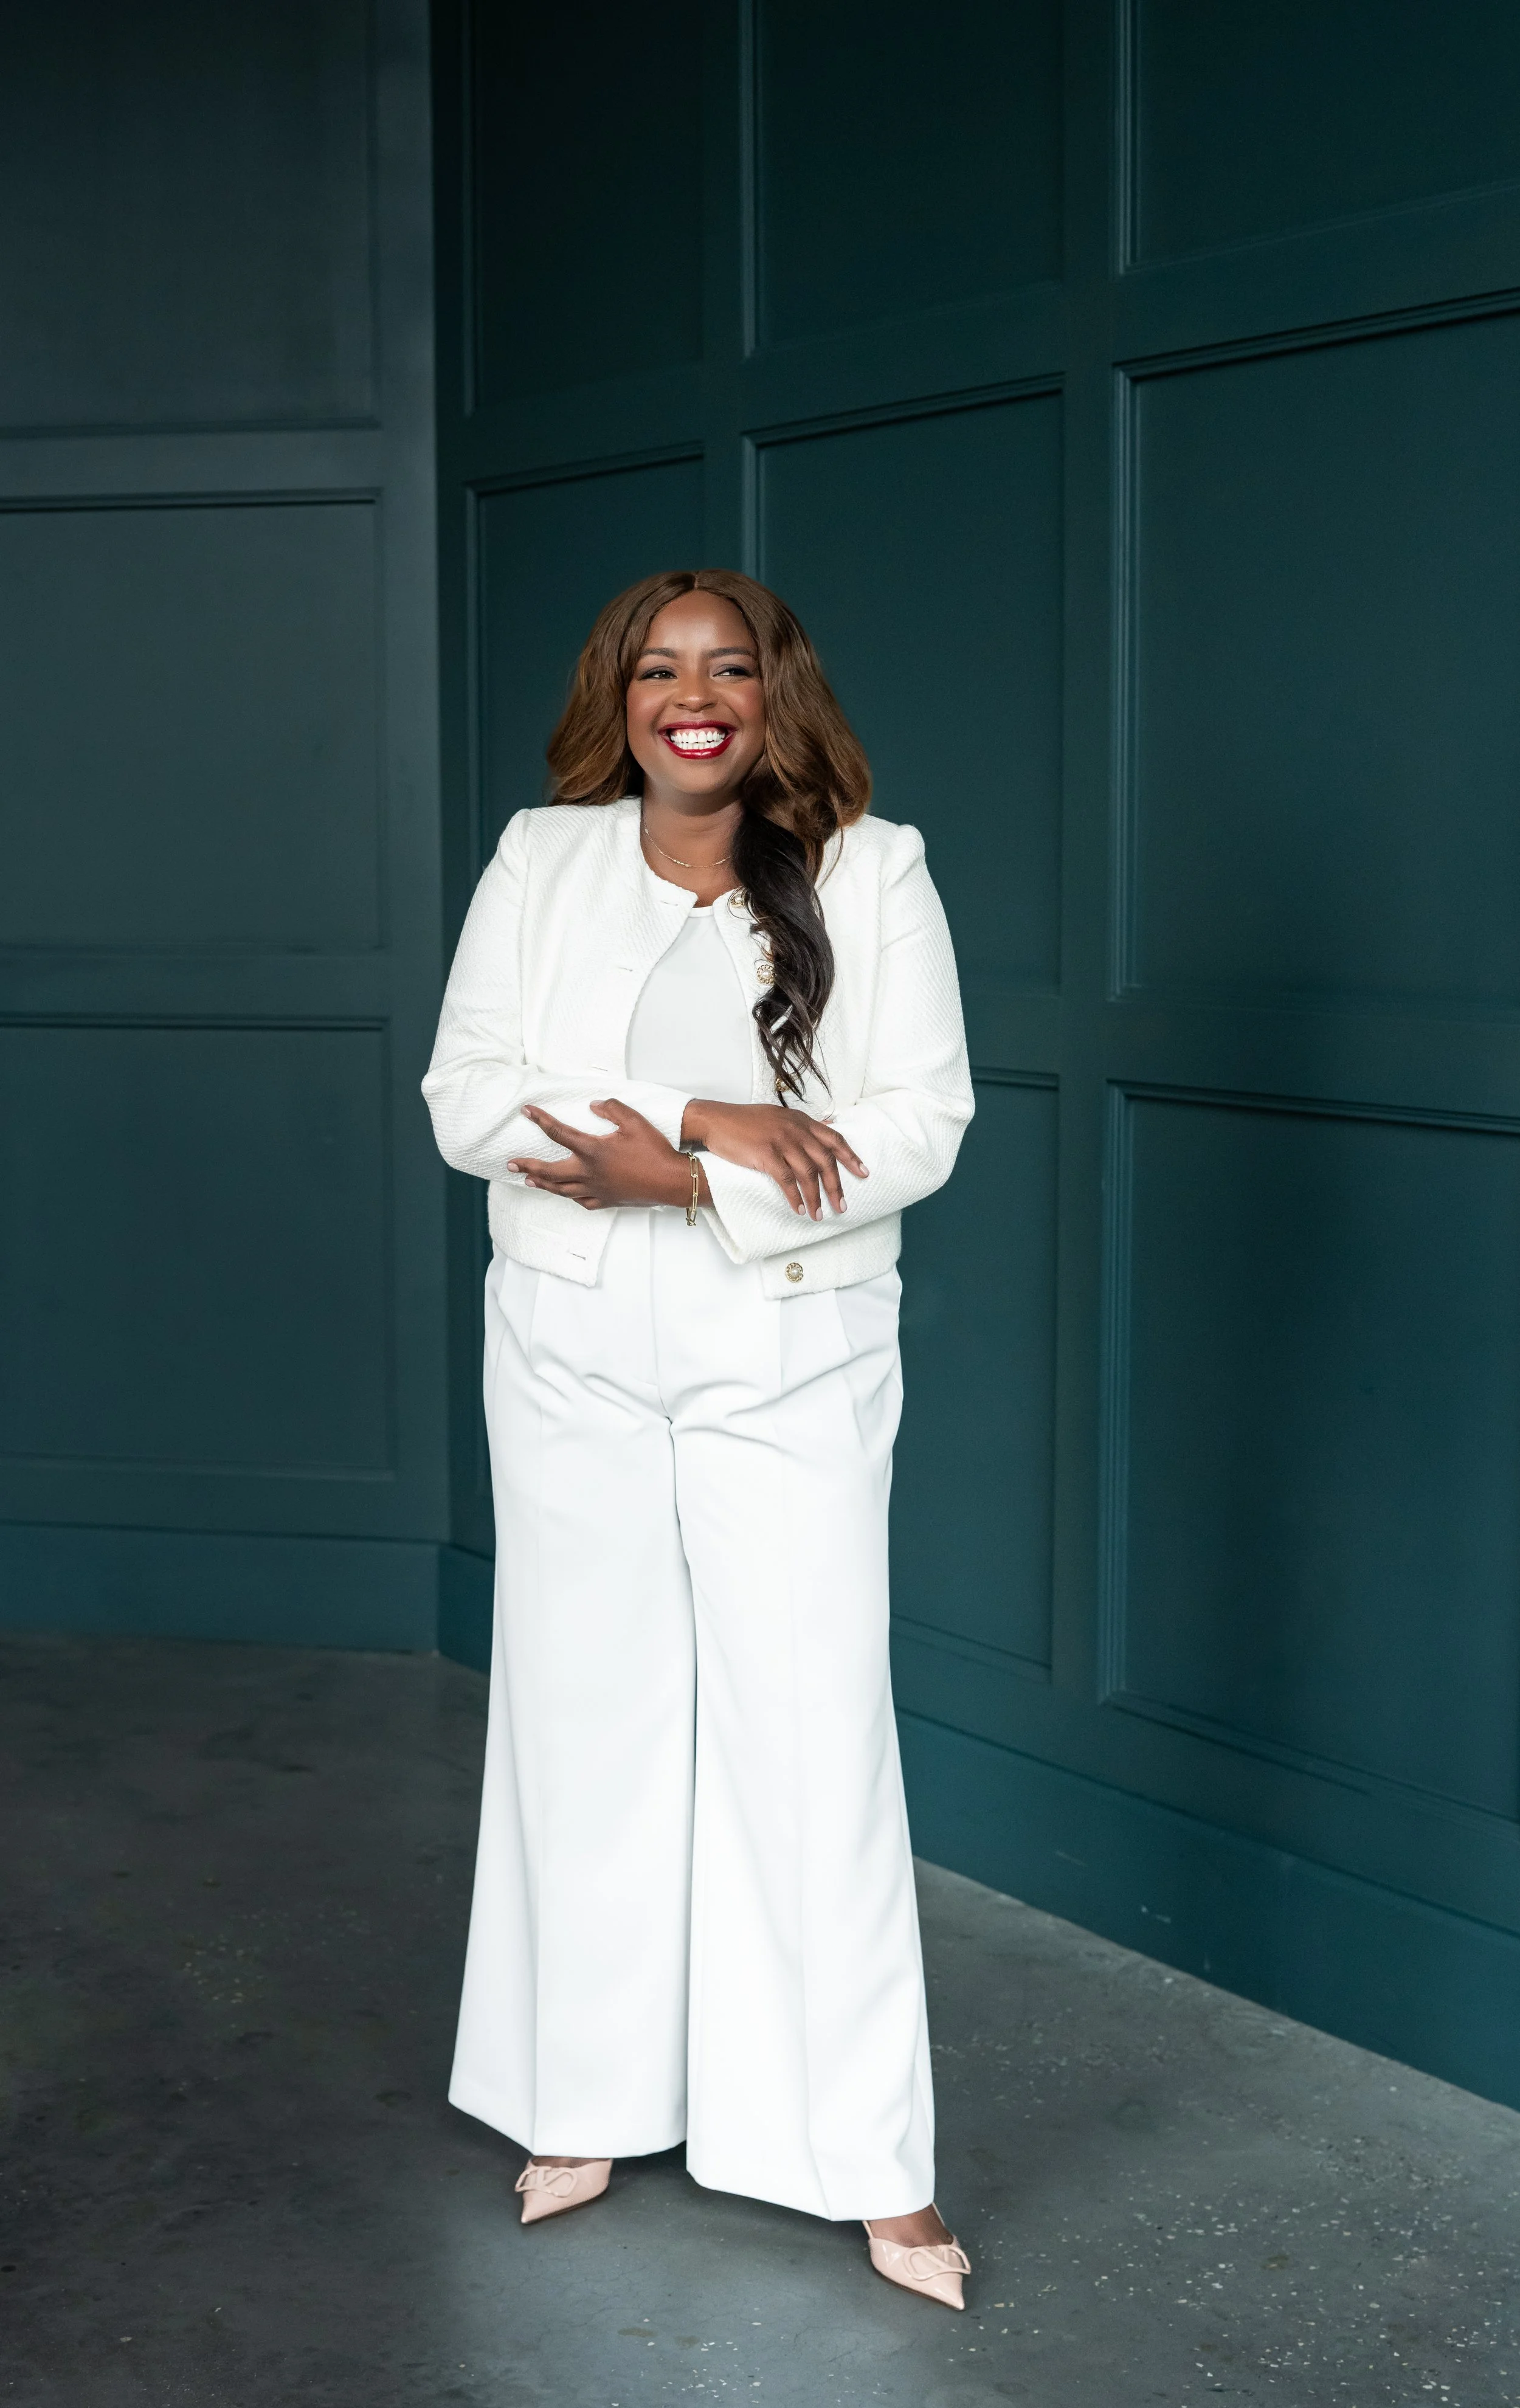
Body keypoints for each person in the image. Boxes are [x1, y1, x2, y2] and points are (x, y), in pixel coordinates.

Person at [421, 567, 975, 2309]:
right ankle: (574, 2098)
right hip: (568, 1345)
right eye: (658, 669)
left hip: (789, 1353)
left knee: (807, 1739)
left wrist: (688, 1175)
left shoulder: (873, 867)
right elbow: (465, 1096)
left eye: (726, 666)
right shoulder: (541, 854)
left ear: (770, 693)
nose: (692, 695)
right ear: (621, 696)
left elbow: (920, 1122)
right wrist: (717, 1115)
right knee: (584, 1715)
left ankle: (867, 2163)